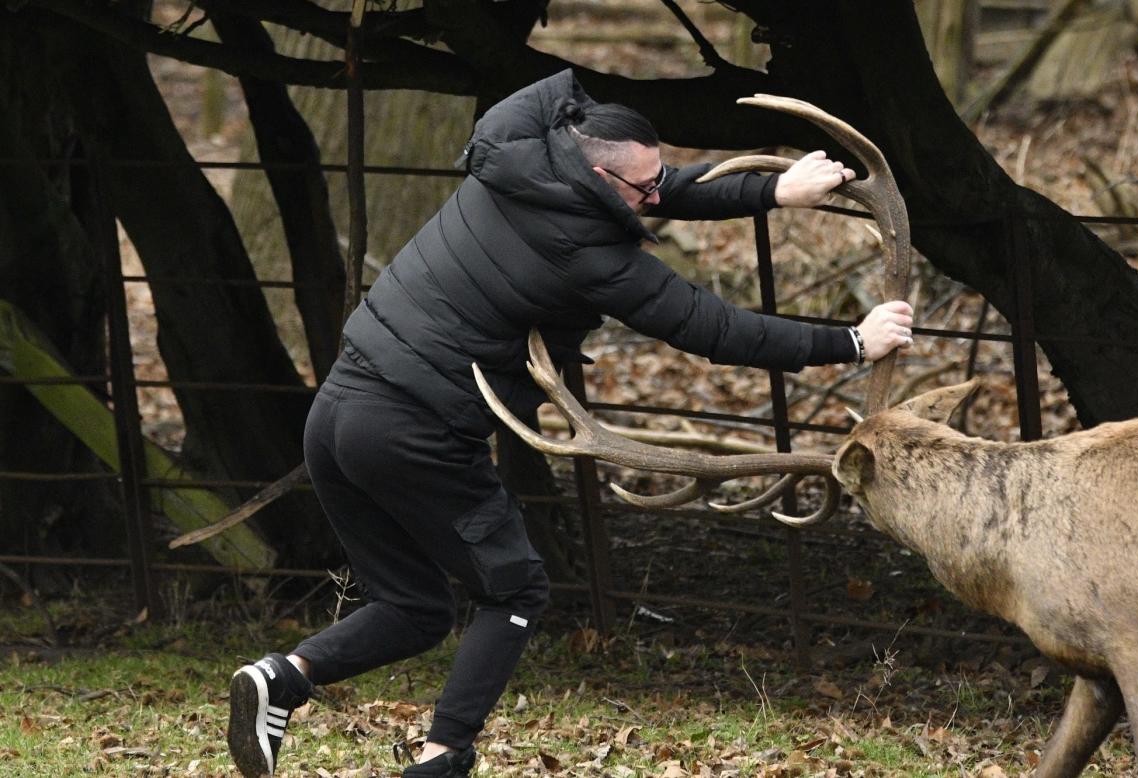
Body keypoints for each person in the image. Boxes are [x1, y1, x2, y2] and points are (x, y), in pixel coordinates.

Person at [226, 69, 914, 778]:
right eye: (641, 190)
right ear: (592, 172)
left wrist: (771, 191)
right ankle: (441, 757)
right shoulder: (591, 258)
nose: (655, 200)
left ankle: (280, 679)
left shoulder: (511, 149)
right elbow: (716, 329)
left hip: (339, 410)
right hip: (415, 430)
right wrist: (851, 343)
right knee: (516, 590)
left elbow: (603, 133)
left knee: (414, 607)